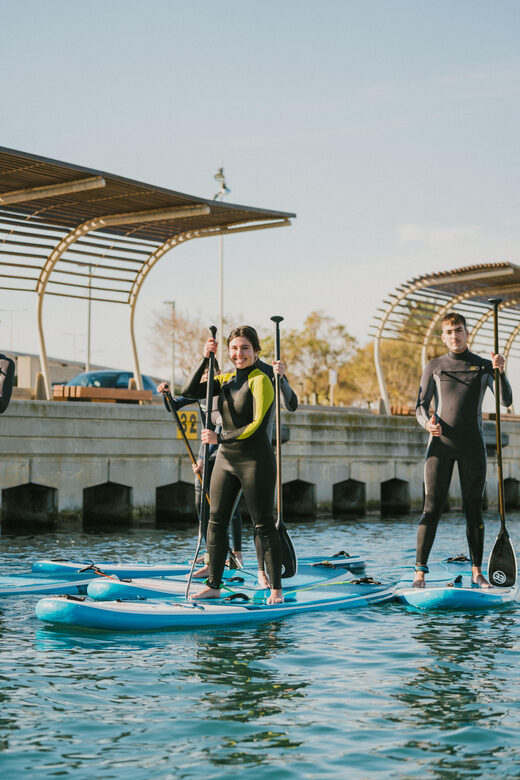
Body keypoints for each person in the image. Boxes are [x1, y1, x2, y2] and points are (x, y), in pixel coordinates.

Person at [182, 325, 284, 604]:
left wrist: (220, 437)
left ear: (256, 351)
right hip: (226, 460)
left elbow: (256, 425)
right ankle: (214, 584)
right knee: (216, 521)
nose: (239, 353)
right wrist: (205, 358)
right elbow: (189, 390)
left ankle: (276, 589)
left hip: (255, 460)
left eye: (245, 348)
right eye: (234, 349)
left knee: (263, 524)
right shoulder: (225, 377)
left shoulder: (260, 380)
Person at [413, 311, 513, 588]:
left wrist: (500, 372)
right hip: (440, 447)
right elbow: (420, 406)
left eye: (459, 330)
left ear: (467, 333)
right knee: (430, 509)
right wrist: (426, 424)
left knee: (474, 510)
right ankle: (420, 572)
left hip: (472, 448)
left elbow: (505, 400)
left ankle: (477, 572)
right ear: (443, 337)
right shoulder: (434, 366)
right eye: (449, 332)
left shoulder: (483, 366)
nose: (454, 336)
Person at [156, 377, 244, 567]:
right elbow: (173, 407)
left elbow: (221, 427)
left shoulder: (225, 393)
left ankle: (236, 553)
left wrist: (205, 459)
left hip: (224, 448)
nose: (205, 379)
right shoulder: (200, 393)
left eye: (209, 374)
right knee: (201, 503)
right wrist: (167, 395)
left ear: (218, 373)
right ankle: (211, 552)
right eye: (202, 376)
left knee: (229, 503)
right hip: (204, 451)